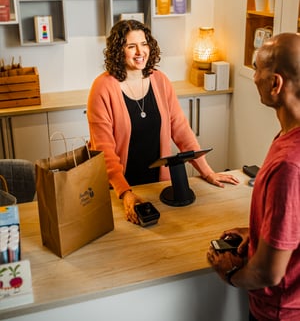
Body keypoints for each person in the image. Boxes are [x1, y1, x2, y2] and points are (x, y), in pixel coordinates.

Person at [87, 20, 239, 224]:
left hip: (159, 185)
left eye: (144, 43)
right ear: (117, 50)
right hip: (121, 189)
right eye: (131, 46)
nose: (140, 51)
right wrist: (125, 193)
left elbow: (181, 130)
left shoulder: (160, 80)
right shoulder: (102, 89)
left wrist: (207, 171)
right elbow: (104, 151)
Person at [207, 32, 300, 321]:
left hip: (279, 312)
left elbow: (268, 272)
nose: (254, 75)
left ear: (275, 84)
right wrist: (257, 232)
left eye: (257, 67)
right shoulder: (288, 137)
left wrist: (230, 275)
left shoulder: (289, 164)